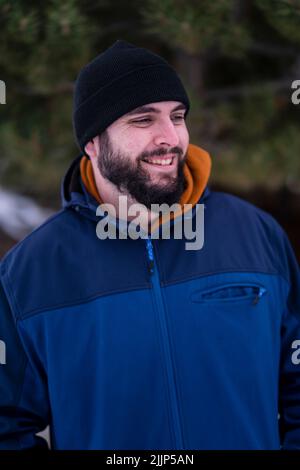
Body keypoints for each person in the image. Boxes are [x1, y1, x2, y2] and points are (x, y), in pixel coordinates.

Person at [0, 40, 299, 451]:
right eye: (143, 120)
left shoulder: (255, 235)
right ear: (92, 142)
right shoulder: (30, 272)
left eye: (177, 116)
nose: (170, 137)